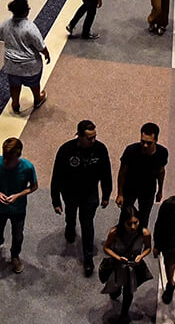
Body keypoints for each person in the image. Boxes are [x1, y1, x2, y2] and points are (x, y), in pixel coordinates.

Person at [52, 119, 113, 277]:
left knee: (87, 224)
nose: (93, 140)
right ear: (79, 136)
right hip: (70, 193)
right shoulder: (66, 150)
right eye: (89, 138)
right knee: (71, 215)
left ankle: (88, 257)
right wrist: (56, 200)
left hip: (90, 194)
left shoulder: (100, 149)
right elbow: (57, 176)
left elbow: (106, 173)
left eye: (94, 137)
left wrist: (106, 194)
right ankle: (70, 227)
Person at [0, 136, 39, 272]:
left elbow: (34, 186)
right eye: (4, 156)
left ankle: (15, 255)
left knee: (18, 235)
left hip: (17, 209)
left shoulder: (27, 168)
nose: (6, 160)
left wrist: (18, 195)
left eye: (10, 158)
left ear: (18, 155)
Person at [101, 208, 154, 319]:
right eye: (129, 224)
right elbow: (106, 247)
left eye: (135, 223)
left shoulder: (144, 233)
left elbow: (148, 248)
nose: (133, 227)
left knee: (129, 291)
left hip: (132, 266)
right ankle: (115, 293)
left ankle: (124, 313)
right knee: (115, 289)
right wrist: (118, 257)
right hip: (117, 265)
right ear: (123, 222)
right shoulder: (114, 233)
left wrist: (141, 256)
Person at [2, 0, 51, 114]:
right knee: (34, 83)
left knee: (14, 85)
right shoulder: (30, 27)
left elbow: (2, 38)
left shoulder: (5, 24)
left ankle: (15, 104)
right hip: (30, 65)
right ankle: (37, 99)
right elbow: (40, 46)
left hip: (11, 64)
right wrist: (47, 54)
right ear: (26, 10)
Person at [116, 122, 169, 223]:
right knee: (125, 215)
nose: (145, 145)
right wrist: (120, 193)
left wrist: (160, 191)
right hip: (130, 186)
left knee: (144, 217)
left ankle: (140, 237)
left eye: (149, 143)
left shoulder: (162, 152)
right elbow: (122, 172)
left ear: (156, 141)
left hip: (148, 189)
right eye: (142, 141)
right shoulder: (131, 150)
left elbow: (161, 171)